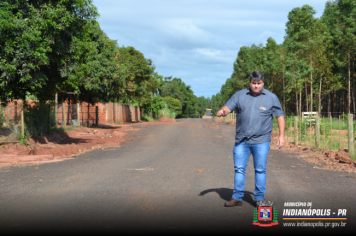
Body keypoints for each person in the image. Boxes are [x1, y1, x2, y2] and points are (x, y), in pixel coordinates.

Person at [216, 71, 285, 208]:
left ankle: (259, 198)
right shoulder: (240, 95)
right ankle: (237, 197)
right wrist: (223, 111)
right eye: (253, 83)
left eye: (259, 83)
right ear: (250, 82)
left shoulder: (271, 97)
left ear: (263, 83)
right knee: (239, 168)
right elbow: (228, 107)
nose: (256, 86)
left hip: (262, 140)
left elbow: (280, 116)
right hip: (242, 140)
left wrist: (282, 136)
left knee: (260, 169)